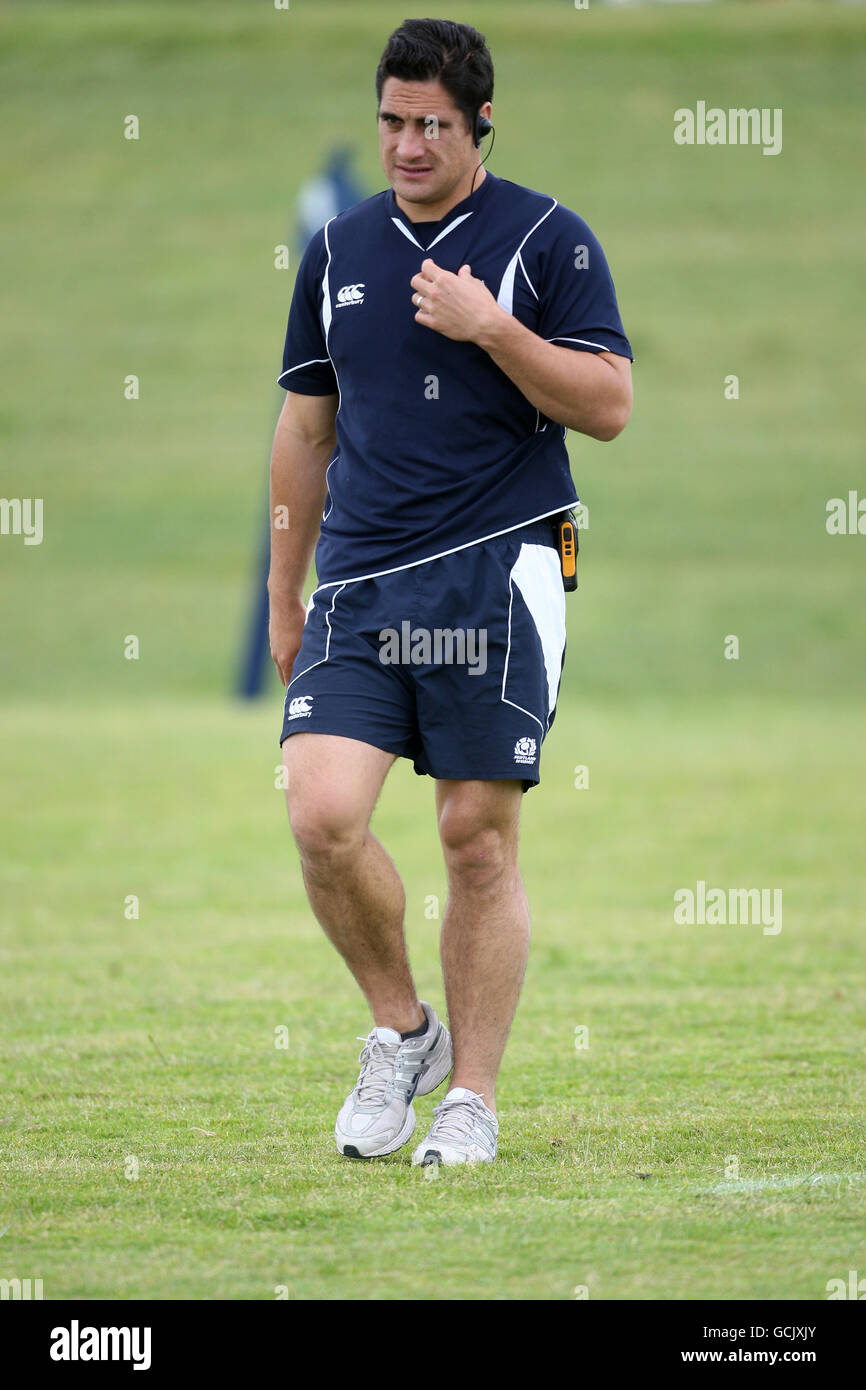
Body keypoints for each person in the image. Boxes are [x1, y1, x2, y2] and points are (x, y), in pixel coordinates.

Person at [268, 17, 632, 1166]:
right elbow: (304, 425)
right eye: (391, 121)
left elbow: (608, 403)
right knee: (321, 813)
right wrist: (286, 594)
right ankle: (402, 1030)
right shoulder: (336, 253)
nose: (408, 144)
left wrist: (492, 326)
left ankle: (471, 1098)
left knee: (474, 836)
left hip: (501, 564)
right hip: (360, 583)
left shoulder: (546, 240)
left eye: (432, 124)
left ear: (480, 123)